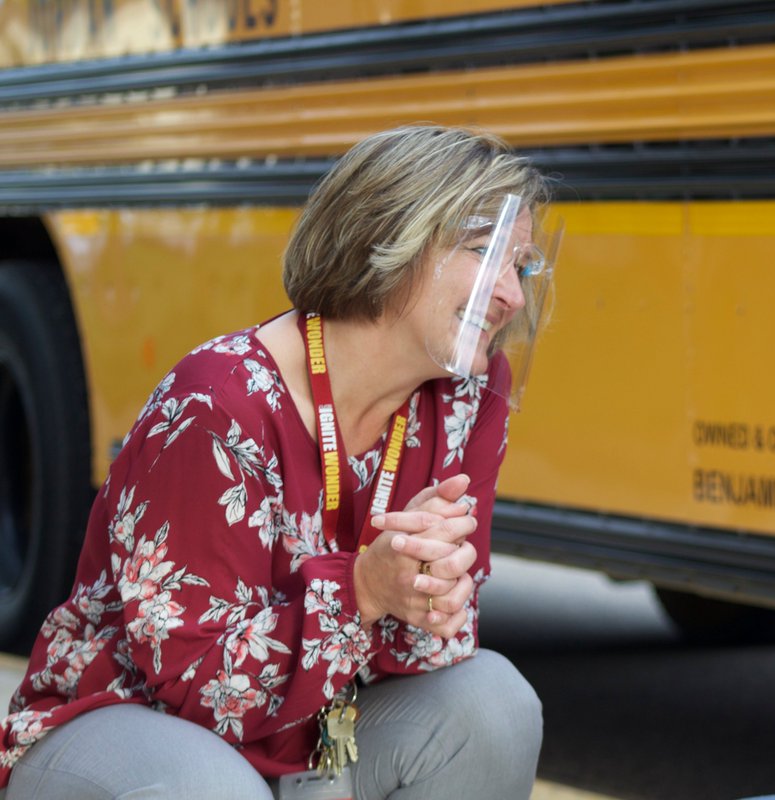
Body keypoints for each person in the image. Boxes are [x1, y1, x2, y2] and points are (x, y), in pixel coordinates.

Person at [0, 125, 551, 799]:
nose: (512, 295)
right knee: (215, 790)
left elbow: (438, 649)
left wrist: (428, 600)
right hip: (132, 726)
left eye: (521, 266)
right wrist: (363, 592)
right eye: (484, 252)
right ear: (390, 235)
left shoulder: (468, 394)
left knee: (492, 705)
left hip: (308, 736)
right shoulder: (216, 403)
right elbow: (192, 688)